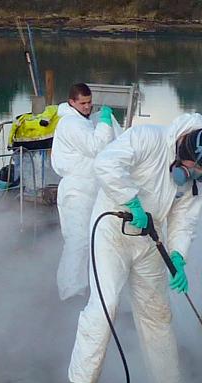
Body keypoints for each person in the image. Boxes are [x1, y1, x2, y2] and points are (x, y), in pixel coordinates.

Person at [65, 112, 202, 383]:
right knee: (106, 303)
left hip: (151, 237)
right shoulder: (147, 139)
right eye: (193, 167)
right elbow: (106, 164)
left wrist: (178, 256)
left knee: (157, 312)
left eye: (201, 172)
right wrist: (131, 200)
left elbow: (185, 218)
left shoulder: (195, 179)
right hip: (113, 229)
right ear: (183, 147)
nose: (194, 175)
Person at [52, 83, 121, 300]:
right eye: (82, 103)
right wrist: (105, 122)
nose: (87, 107)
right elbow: (96, 146)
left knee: (88, 239)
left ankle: (80, 287)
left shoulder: (83, 120)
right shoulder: (71, 123)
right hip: (77, 190)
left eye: (90, 102)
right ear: (71, 102)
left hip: (87, 188)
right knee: (78, 240)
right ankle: (70, 291)